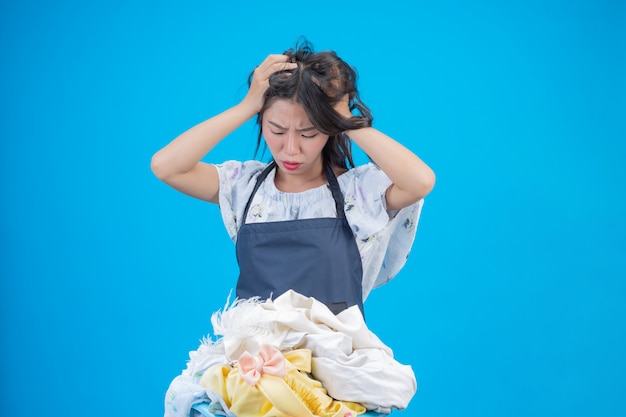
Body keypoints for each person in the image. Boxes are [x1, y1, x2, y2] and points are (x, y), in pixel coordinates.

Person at [151, 39, 435, 417]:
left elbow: (420, 180)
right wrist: (247, 105)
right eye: (276, 129)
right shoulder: (244, 188)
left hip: (334, 374)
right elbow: (166, 166)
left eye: (309, 132)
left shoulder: (359, 194)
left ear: (330, 129)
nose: (290, 149)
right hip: (253, 372)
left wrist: (344, 118)